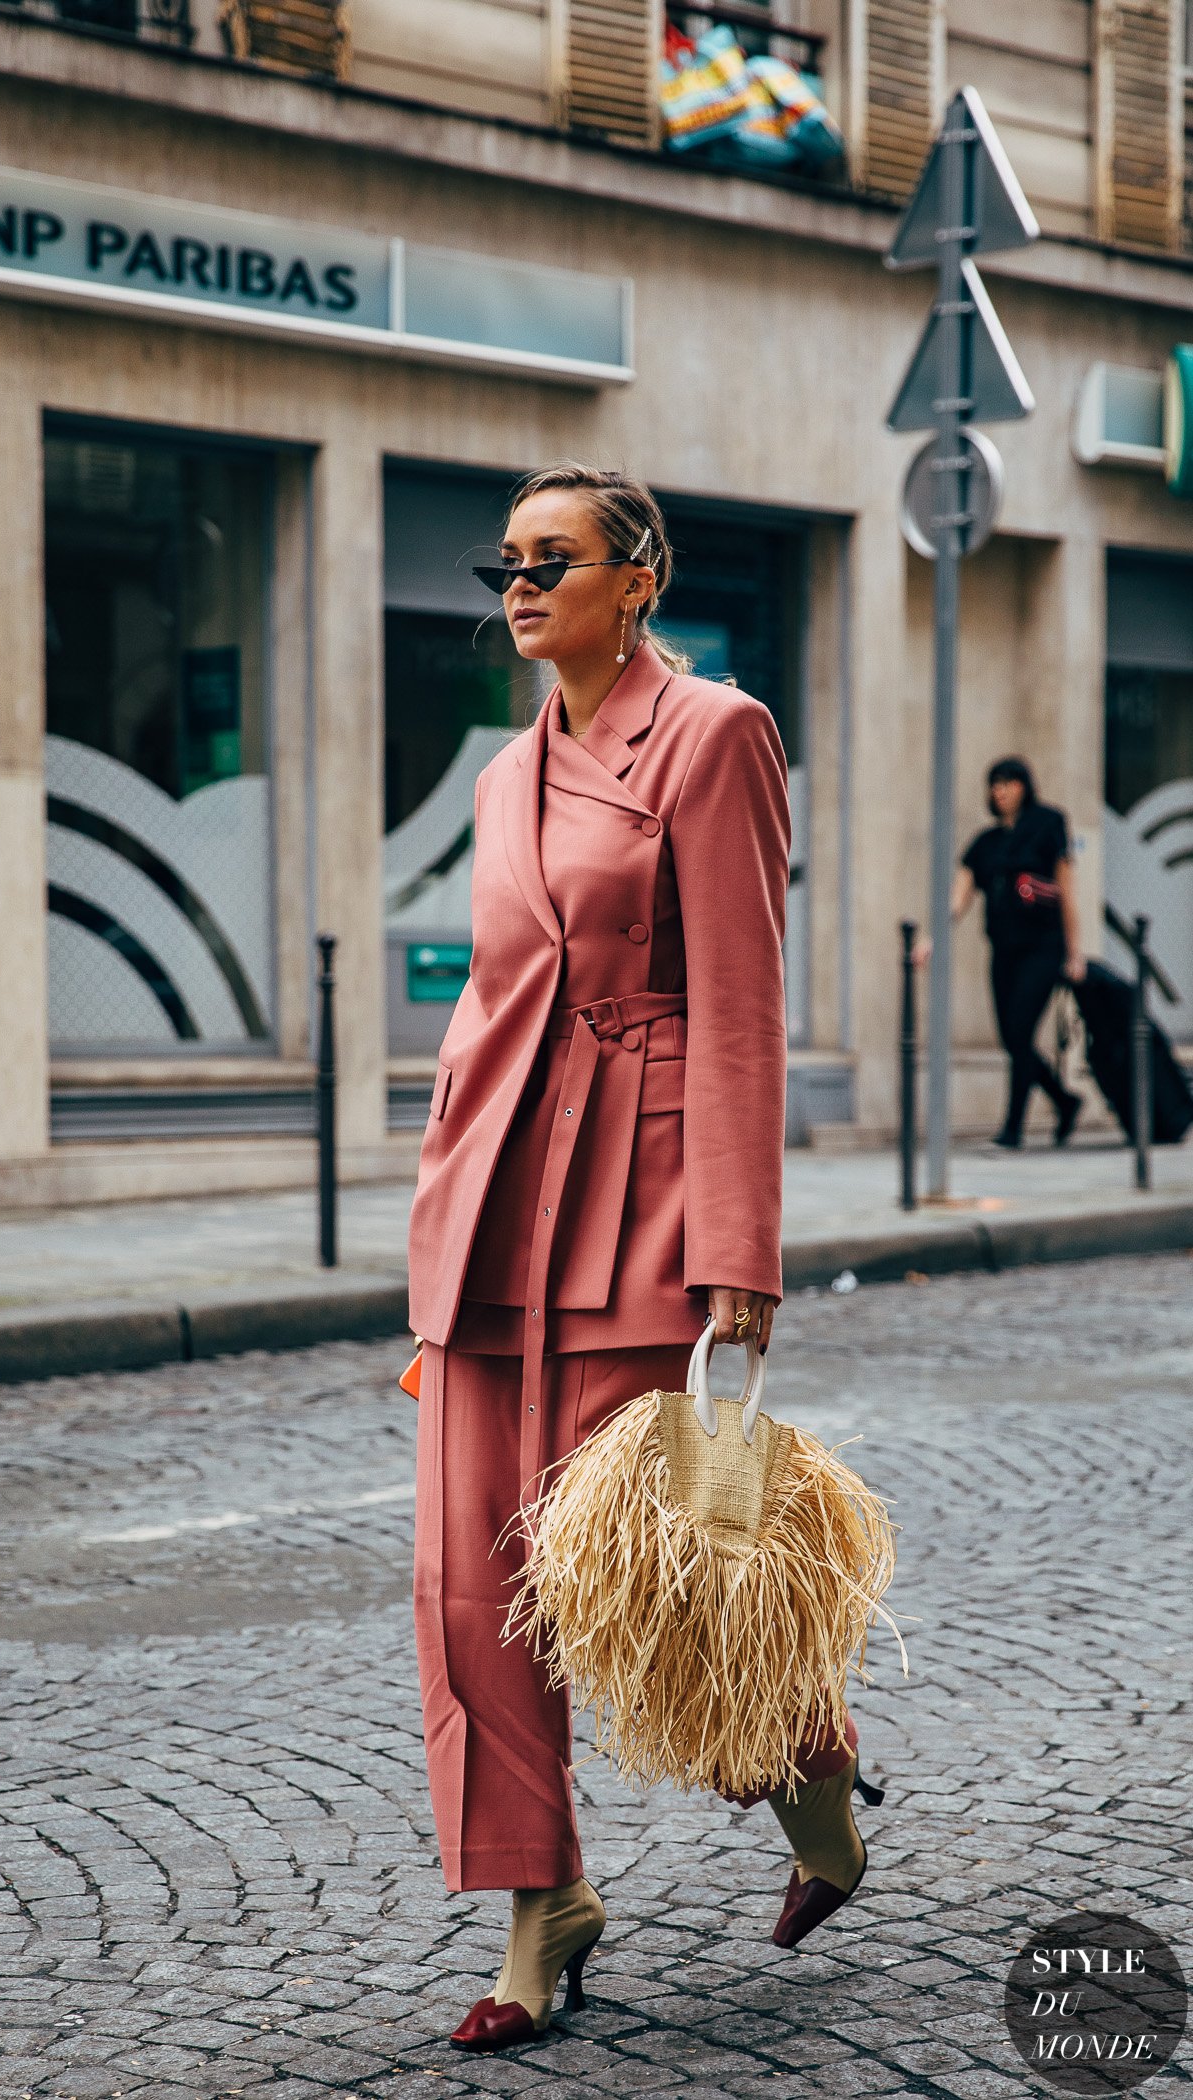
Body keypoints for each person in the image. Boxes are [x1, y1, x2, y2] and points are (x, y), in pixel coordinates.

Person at [404, 463, 882, 2056]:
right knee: (479, 1585)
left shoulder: (716, 733)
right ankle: (545, 1909)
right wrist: (436, 1214)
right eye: (508, 560)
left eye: (556, 558)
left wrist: (740, 1243)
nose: (521, 582)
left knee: (678, 1573)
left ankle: (816, 1805)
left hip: (647, 1203)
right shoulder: (499, 777)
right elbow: (489, 1010)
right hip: (495, 1214)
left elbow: (744, 995)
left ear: (638, 581)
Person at [917, 757, 1085, 1148]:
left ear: (1024, 785)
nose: (1001, 791)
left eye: (1008, 783)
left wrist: (1074, 953)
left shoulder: (1048, 824)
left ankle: (1013, 1130)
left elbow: (1067, 894)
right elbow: (956, 900)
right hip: (1004, 951)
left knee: (1021, 1031)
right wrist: (933, 938)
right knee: (1013, 1039)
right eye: (995, 784)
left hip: (1044, 949)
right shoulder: (985, 844)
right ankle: (1065, 1100)